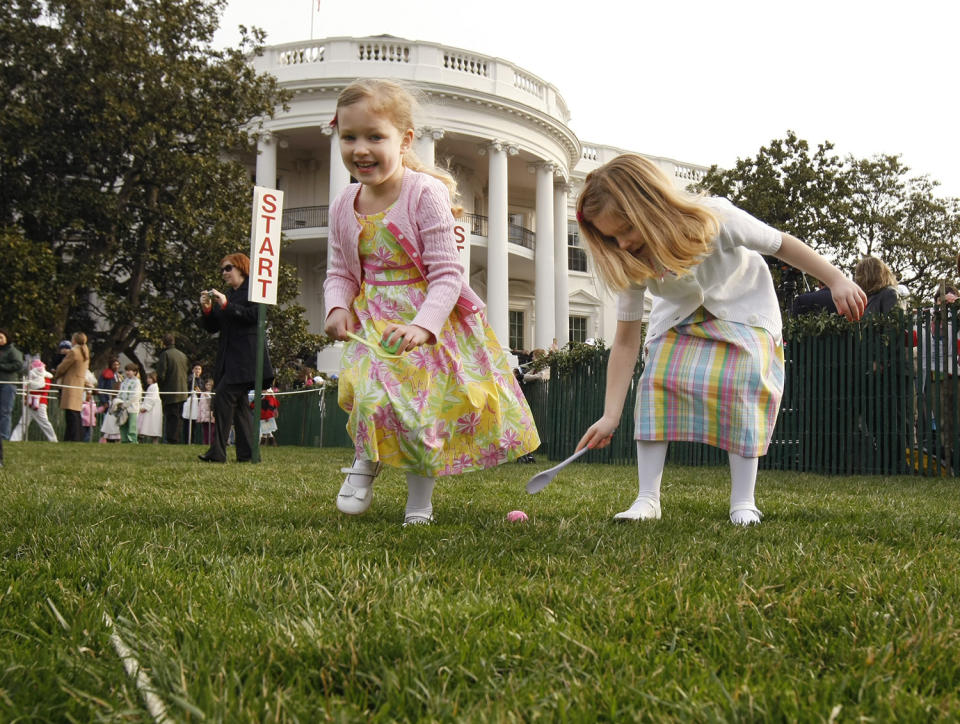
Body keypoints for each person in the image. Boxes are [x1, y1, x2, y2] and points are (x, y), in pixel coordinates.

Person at [574, 154, 866, 525]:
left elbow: (781, 244)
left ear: (651, 205)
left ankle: (743, 501)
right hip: (679, 317)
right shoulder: (630, 261)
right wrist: (610, 414)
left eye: (626, 229)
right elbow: (627, 339)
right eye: (612, 237)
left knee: (744, 379)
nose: (624, 243)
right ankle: (647, 498)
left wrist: (836, 279)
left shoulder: (715, 219)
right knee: (656, 380)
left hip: (744, 308)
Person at [323, 78, 540, 526]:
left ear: (403, 140)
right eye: (349, 137)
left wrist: (424, 326)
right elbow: (340, 270)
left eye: (374, 137)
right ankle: (365, 462)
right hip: (373, 320)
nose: (360, 149)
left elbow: (447, 274)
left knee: (419, 414)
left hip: (425, 321)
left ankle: (419, 504)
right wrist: (337, 306)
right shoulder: (344, 202)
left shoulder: (425, 194)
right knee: (370, 398)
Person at [198, 253, 274, 463]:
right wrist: (207, 310)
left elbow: (255, 316)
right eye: (222, 269)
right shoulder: (230, 295)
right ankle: (247, 453)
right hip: (230, 360)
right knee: (239, 406)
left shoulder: (254, 291)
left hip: (247, 360)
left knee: (223, 396)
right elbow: (214, 326)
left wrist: (225, 305)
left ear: (241, 268)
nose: (224, 273)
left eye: (228, 268)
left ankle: (218, 452)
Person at [53, 332, 91, 442]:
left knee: (70, 413)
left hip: (70, 382)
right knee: (76, 412)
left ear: (74, 340)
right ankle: (77, 437)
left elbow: (63, 366)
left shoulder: (74, 352)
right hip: (78, 382)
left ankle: (72, 437)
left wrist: (57, 372)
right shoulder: (85, 351)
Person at [10, 358, 58, 442]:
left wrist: (28, 395)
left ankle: (53, 440)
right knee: (25, 422)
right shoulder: (44, 378)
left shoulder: (37, 378)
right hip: (33, 402)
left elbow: (40, 390)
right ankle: (14, 439)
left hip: (37, 403)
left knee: (42, 422)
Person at [155, 333, 188, 444]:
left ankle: (172, 439)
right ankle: (176, 438)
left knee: (171, 416)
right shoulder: (183, 355)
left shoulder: (165, 355)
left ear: (164, 343)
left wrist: (161, 387)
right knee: (178, 417)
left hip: (171, 390)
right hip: (182, 390)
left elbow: (161, 375)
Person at [0, 329, 24, 441]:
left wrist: (3, 366)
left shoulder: (12, 351)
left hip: (8, 384)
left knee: (5, 410)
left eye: (1, 337)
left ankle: (4, 435)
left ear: (6, 338)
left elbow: (18, 364)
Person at [114, 362, 142, 443]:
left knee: (132, 425)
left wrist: (127, 404)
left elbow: (136, 395)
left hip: (132, 408)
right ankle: (124, 440)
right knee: (123, 424)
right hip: (122, 407)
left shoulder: (137, 382)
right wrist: (118, 402)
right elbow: (120, 393)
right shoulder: (124, 381)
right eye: (126, 370)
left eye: (130, 370)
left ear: (135, 372)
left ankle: (133, 441)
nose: (127, 372)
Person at [181, 363, 204, 444]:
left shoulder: (201, 380)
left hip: (196, 402)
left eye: (199, 369)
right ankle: (186, 441)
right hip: (189, 401)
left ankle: (192, 440)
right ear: (193, 370)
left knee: (194, 423)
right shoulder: (190, 378)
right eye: (196, 369)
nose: (197, 371)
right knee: (187, 421)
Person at [138, 371, 163, 443]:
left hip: (152, 410)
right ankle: (141, 439)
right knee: (144, 425)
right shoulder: (151, 387)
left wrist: (146, 407)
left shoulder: (154, 387)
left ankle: (154, 441)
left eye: (150, 378)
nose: (148, 380)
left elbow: (152, 399)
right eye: (148, 378)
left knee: (151, 426)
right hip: (149, 409)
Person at [197, 376, 215, 445]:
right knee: (205, 430)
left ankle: (211, 442)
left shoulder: (213, 393)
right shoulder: (202, 394)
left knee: (212, 430)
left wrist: (207, 396)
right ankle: (205, 442)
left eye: (210, 385)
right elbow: (200, 405)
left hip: (211, 414)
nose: (208, 386)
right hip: (204, 414)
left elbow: (211, 403)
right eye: (207, 384)